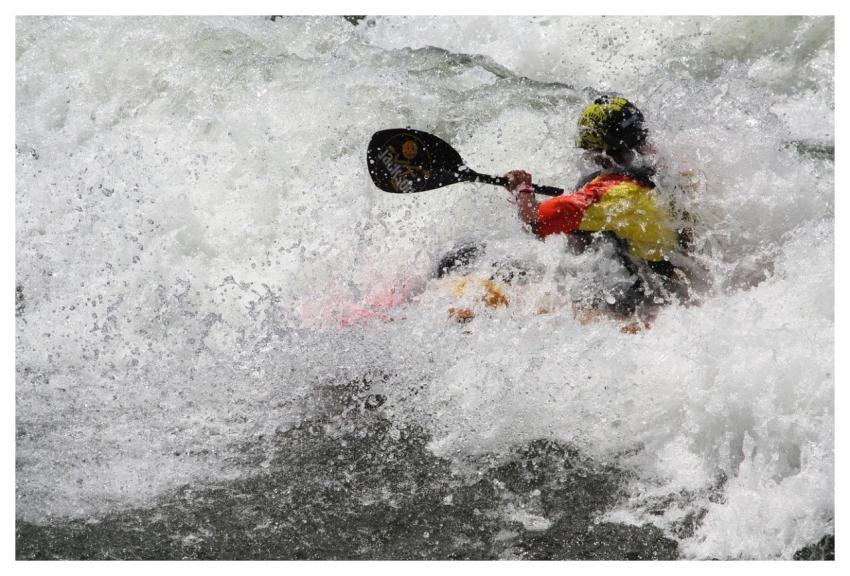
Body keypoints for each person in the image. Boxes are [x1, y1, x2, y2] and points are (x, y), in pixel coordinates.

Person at [504, 95, 695, 329]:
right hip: (677, 277)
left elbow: (537, 224)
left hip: (645, 296)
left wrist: (522, 189)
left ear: (596, 150)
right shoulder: (665, 168)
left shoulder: (610, 193)